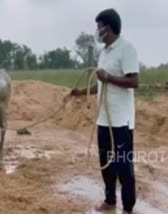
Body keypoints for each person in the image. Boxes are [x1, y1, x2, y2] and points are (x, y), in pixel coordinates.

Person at [70, 8, 139, 214]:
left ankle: (128, 208)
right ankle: (110, 200)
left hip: (120, 121)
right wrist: (81, 91)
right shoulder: (104, 53)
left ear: (107, 29)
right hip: (103, 119)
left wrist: (109, 77)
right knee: (105, 163)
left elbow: (134, 81)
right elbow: (101, 83)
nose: (97, 31)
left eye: (98, 27)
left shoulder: (127, 49)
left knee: (123, 166)